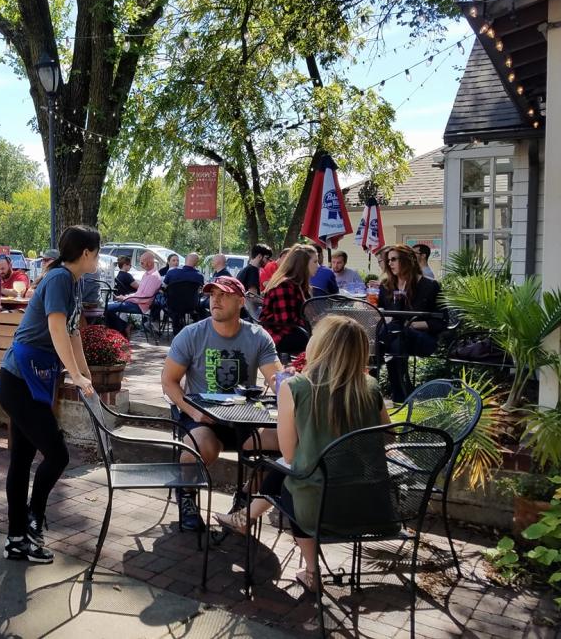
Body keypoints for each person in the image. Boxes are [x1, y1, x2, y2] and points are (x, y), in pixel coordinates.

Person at [212, 315, 391, 593]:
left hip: (319, 511)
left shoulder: (296, 387)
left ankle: (311, 571)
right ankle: (244, 518)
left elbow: (290, 454)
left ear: (319, 344)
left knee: (291, 477)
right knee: (289, 474)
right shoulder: (370, 387)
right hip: (373, 505)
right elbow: (387, 435)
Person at [0, 225, 100, 564]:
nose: (97, 258)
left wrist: (84, 375)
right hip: (18, 380)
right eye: (96, 252)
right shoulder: (58, 279)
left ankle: (17, 539)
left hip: (31, 380)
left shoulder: (74, 281)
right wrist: (73, 373)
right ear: (86, 253)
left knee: (23, 460)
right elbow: (56, 327)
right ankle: (32, 519)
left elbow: (72, 332)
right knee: (57, 456)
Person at [161, 275, 283, 530]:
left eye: (223, 295)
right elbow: (169, 381)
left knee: (285, 442)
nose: (215, 300)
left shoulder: (257, 336)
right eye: (212, 295)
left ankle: (246, 498)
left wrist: (292, 389)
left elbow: (275, 379)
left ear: (240, 301)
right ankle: (187, 497)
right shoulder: (192, 334)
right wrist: (192, 412)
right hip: (203, 417)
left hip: (244, 420)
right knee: (202, 445)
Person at [379, 244, 444, 402]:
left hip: (422, 338)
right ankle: (401, 396)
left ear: (408, 260)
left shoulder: (430, 286)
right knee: (394, 337)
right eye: (388, 261)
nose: (390, 264)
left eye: (394, 259)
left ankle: (395, 394)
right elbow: (383, 314)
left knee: (395, 335)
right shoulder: (387, 286)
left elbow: (441, 321)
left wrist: (414, 325)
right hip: (395, 338)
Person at [259, 244, 317, 356]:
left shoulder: (298, 284)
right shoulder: (284, 285)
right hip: (278, 337)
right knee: (324, 342)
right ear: (303, 264)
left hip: (292, 332)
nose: (318, 265)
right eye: (315, 262)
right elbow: (286, 322)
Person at [105, 251, 162, 337]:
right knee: (106, 306)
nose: (140, 263)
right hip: (136, 302)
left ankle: (121, 330)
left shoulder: (154, 276)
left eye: (142, 261)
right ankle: (122, 330)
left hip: (141, 306)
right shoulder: (147, 274)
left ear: (149, 262)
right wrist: (125, 297)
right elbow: (139, 294)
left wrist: (124, 298)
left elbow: (143, 297)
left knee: (106, 307)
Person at [162, 252, 206, 332]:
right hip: (191, 305)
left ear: (185, 261)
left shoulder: (171, 273)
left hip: (173, 305)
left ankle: (176, 329)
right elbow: (203, 290)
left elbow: (163, 288)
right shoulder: (199, 276)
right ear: (197, 263)